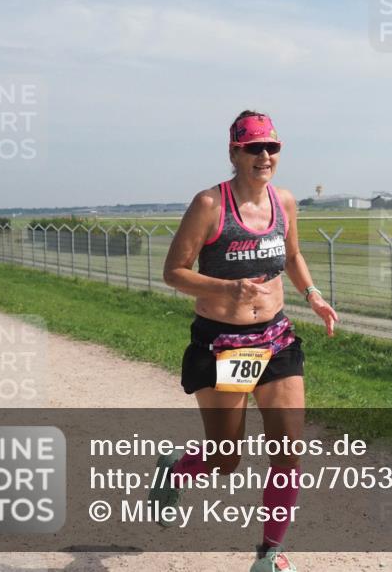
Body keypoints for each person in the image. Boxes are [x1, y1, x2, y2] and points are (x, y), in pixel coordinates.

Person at [151, 110, 339, 572]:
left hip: (275, 339)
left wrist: (313, 296)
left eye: (272, 147)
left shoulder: (285, 202)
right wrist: (226, 289)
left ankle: (269, 554)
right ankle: (175, 469)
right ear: (234, 152)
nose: (264, 156)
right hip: (225, 344)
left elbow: (291, 255)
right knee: (225, 458)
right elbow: (173, 272)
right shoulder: (209, 205)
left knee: (288, 450)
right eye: (254, 147)